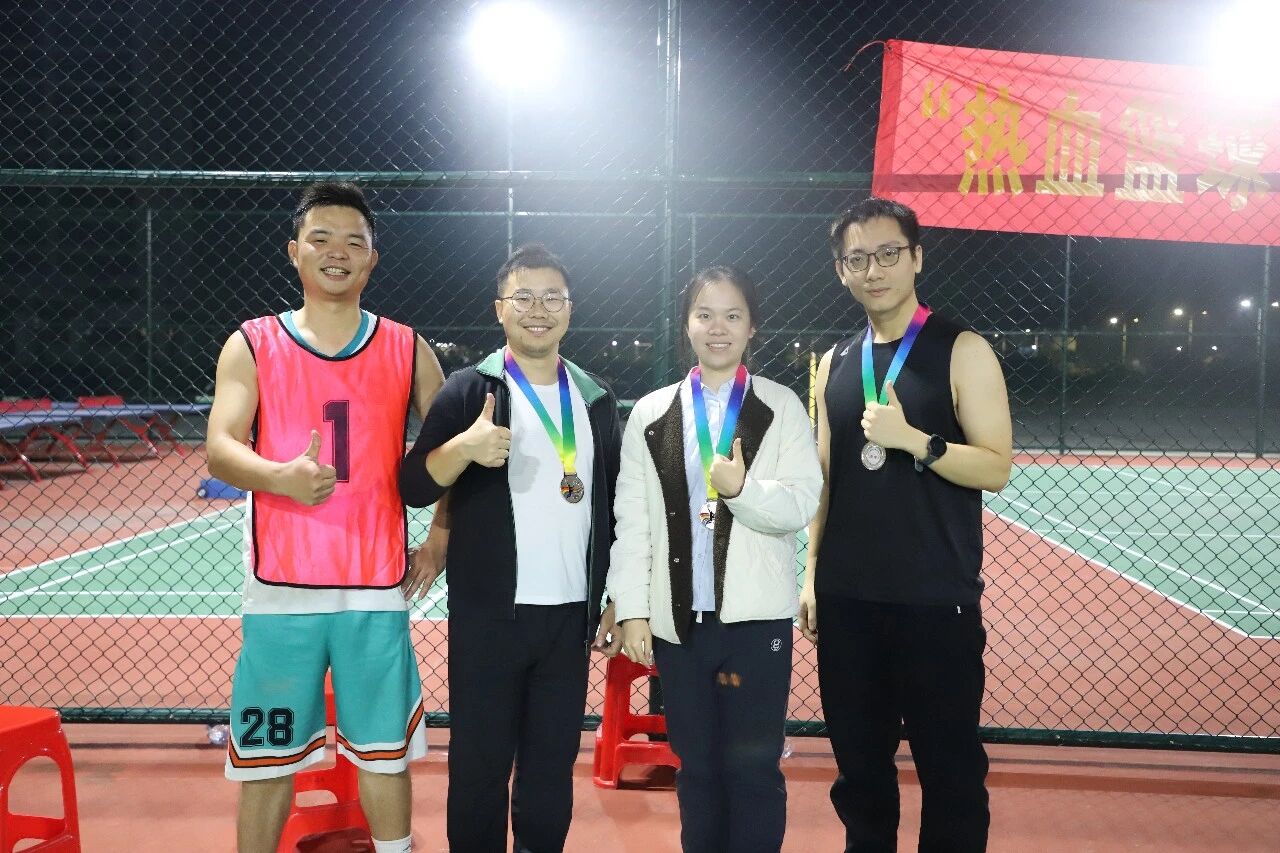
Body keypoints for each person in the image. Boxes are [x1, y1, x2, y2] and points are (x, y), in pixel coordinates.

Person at [206, 182, 447, 853]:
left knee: (382, 752)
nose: (337, 252)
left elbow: (453, 447)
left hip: (374, 587)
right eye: (321, 239)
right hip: (281, 590)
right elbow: (220, 447)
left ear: (372, 259)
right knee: (268, 756)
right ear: (294, 251)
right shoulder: (253, 342)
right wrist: (277, 476)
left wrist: (441, 537)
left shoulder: (407, 347)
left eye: (353, 242)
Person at [799, 197, 1013, 852]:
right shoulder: (835, 363)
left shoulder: (962, 350)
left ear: (916, 257)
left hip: (935, 601)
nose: (875, 270)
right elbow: (825, 478)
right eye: (858, 259)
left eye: (888, 253)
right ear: (841, 271)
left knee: (950, 772)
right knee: (860, 774)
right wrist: (810, 574)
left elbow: (996, 466)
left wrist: (916, 440)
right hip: (848, 600)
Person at [399, 243, 623, 853]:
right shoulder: (469, 391)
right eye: (523, 297)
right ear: (500, 308)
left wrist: (617, 597)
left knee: (550, 769)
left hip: (569, 618)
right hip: (490, 616)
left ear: (570, 309)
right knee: (480, 766)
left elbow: (616, 506)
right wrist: (463, 450)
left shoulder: (596, 398)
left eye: (552, 297)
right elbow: (414, 485)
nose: (538, 310)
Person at [607, 265, 822, 852]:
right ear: (687, 324)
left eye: (732, 315)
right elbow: (633, 520)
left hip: (756, 625)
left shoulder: (781, 406)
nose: (718, 327)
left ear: (752, 327)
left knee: (752, 769)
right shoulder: (651, 413)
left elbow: (801, 503)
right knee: (696, 768)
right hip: (680, 624)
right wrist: (633, 608)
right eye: (705, 314)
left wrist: (741, 490)